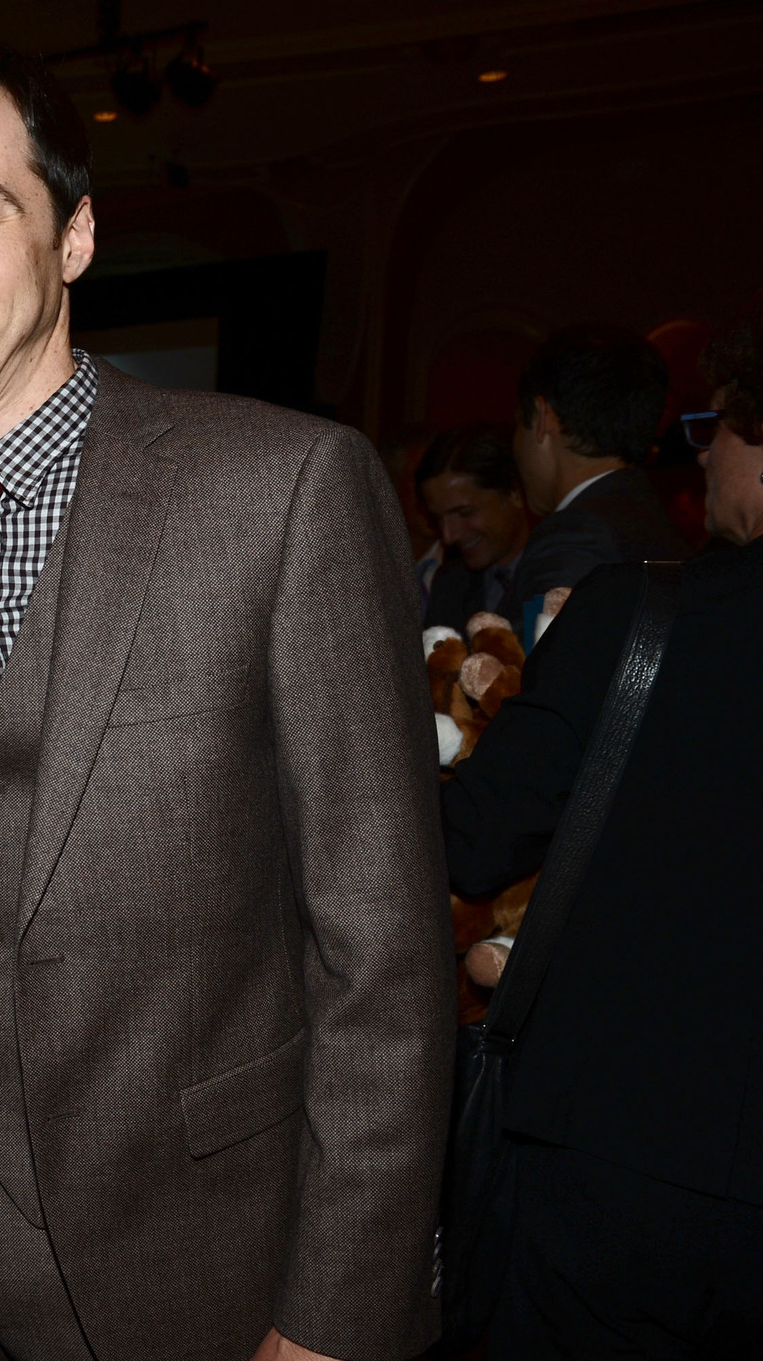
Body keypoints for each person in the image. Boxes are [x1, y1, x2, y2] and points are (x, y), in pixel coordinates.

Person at [0, 44, 450, 1361]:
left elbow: (380, 955)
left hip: (187, 1243)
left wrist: (337, 1315)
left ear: (77, 235)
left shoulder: (283, 488)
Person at [441, 304, 763, 1356]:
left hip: (613, 1158)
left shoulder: (645, 607)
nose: (702, 451)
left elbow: (471, 839)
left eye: (719, 423)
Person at [509, 324, 691, 613]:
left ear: (543, 417)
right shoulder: (655, 521)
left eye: (518, 423)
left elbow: (544, 657)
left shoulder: (573, 536)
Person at [417, 424, 531, 628]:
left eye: (464, 513)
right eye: (438, 519)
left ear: (514, 492)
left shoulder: (559, 572)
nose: (448, 535)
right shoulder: (449, 584)